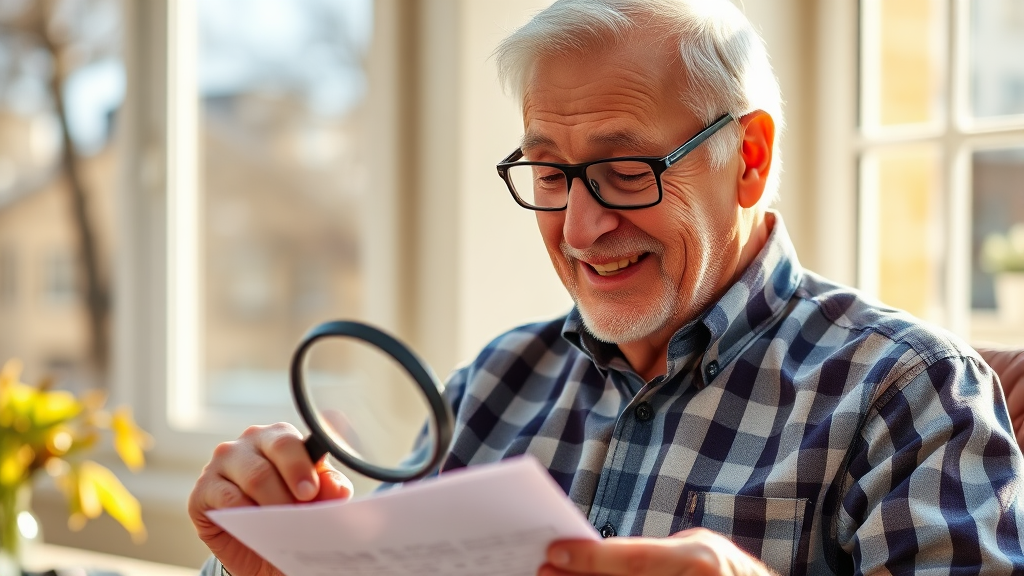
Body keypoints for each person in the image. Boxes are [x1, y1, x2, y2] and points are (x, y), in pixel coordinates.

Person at [189, 1, 1024, 574]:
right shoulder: (493, 387)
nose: (581, 230)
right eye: (549, 172)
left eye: (626, 171)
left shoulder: (911, 393)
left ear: (751, 159)